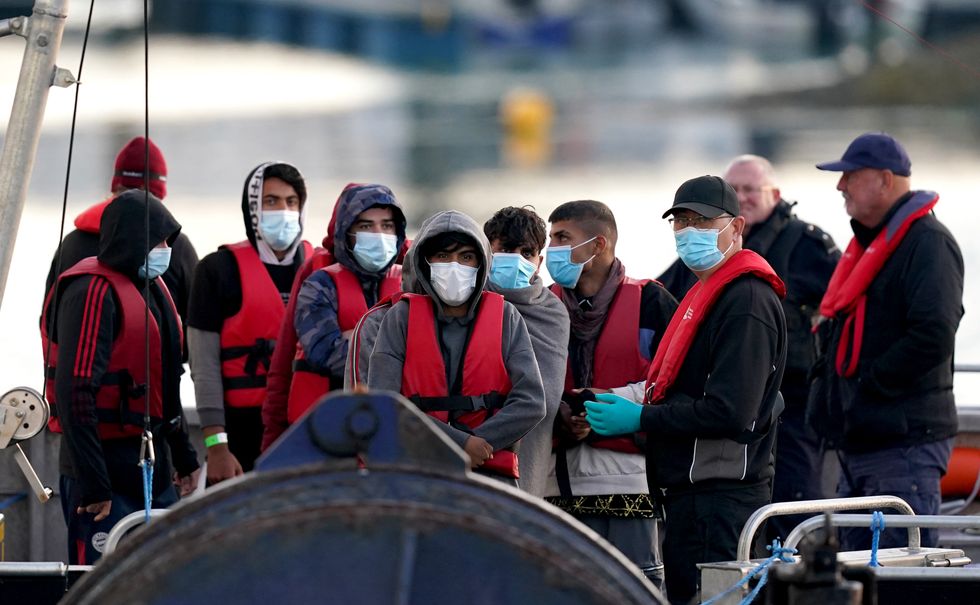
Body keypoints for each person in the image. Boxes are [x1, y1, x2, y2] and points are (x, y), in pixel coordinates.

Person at [586, 176, 787, 605]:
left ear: (736, 228)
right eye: (680, 221)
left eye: (702, 221)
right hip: (689, 499)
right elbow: (684, 384)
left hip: (723, 501)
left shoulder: (747, 301)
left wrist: (641, 418)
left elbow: (733, 412)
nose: (688, 231)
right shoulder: (706, 292)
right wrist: (626, 397)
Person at [658, 155, 839, 541]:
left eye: (750, 189)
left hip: (794, 399)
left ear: (774, 193)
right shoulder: (704, 259)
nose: (743, 195)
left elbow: (845, 304)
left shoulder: (806, 245)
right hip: (729, 409)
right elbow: (660, 297)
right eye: (735, 189)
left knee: (794, 497)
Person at [809, 132, 964, 550]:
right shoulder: (871, 245)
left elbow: (934, 333)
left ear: (884, 179)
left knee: (899, 576)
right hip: (863, 442)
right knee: (857, 572)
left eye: (849, 176)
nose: (840, 186)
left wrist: (866, 386)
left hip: (903, 446)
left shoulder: (929, 244)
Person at [41, 190, 200, 564]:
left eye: (167, 240)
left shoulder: (155, 290)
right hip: (103, 477)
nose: (165, 249)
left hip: (152, 468)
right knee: (101, 584)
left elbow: (168, 380)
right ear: (132, 239)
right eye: (157, 240)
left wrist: (184, 456)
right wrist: (95, 484)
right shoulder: (91, 293)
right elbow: (75, 392)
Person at [543, 200, 677, 586]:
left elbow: (670, 384)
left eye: (562, 237)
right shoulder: (541, 306)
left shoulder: (652, 303)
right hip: (555, 483)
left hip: (629, 483)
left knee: (634, 587)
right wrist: (559, 416)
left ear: (598, 245)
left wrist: (607, 400)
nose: (551, 248)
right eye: (551, 238)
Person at [368, 210, 546, 484]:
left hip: (489, 472)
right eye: (442, 257)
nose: (454, 266)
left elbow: (532, 401)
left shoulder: (506, 317)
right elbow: (385, 402)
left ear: (481, 263)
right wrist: (457, 444)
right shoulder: (400, 318)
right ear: (426, 262)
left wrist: (478, 442)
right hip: (418, 472)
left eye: (466, 257)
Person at [186, 162, 312, 485]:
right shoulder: (216, 271)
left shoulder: (320, 270)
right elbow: (204, 367)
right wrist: (216, 447)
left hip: (307, 433)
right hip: (240, 439)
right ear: (252, 209)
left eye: (291, 202)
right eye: (270, 201)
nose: (282, 210)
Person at [45, 136, 199, 330]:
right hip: (152, 359)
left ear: (115, 188)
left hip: (77, 358)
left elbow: (49, 320)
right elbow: (200, 322)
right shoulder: (176, 247)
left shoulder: (71, 243)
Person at [287, 184, 406, 422]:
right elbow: (327, 353)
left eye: (386, 226)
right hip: (331, 426)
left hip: (392, 425)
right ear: (346, 233)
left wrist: (355, 338)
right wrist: (394, 352)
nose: (378, 234)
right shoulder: (318, 286)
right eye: (365, 226)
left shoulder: (411, 283)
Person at [484, 206, 569, 497]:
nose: (517, 259)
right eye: (506, 248)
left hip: (526, 458)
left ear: (539, 261)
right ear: (488, 251)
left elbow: (545, 397)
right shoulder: (464, 302)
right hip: (462, 455)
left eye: (527, 252)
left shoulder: (552, 313)